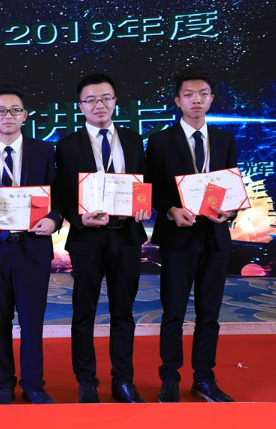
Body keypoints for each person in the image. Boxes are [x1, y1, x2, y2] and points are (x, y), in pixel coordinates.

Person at [54, 74, 149, 403]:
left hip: (126, 237)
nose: (99, 105)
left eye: (106, 98)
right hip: (87, 240)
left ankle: (123, 381)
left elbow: (142, 184)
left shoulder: (134, 140)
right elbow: (61, 193)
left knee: (124, 312)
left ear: (115, 101)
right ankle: (87, 381)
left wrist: (142, 206)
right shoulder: (67, 145)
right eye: (91, 100)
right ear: (80, 106)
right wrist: (77, 217)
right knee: (84, 312)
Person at [146, 66, 237, 403]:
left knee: (209, 314)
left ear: (211, 99)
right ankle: (169, 378)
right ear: (177, 101)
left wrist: (230, 211)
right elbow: (151, 188)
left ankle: (204, 379)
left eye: (203, 94)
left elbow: (231, 186)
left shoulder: (225, 140)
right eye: (188, 94)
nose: (196, 100)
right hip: (178, 238)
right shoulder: (160, 141)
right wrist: (171, 210)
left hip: (215, 237)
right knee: (173, 313)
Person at [0, 86, 63, 405]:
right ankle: (3, 384)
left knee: (32, 321)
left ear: (24, 115)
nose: (8, 116)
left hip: (33, 247)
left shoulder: (44, 151)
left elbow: (60, 195)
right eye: (1, 111)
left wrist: (54, 219)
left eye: (15, 110)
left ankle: (33, 384)